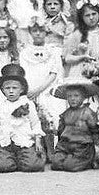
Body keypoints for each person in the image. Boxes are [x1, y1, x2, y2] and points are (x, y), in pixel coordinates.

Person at [18, 20, 63, 158]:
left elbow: (54, 73)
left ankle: (53, 151)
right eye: (35, 30)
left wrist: (39, 90)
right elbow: (23, 72)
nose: (38, 33)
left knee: (51, 116)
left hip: (48, 89)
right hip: (30, 88)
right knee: (32, 118)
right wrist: (30, 90)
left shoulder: (53, 51)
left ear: (46, 32)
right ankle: (38, 152)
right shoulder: (25, 51)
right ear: (30, 32)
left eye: (41, 30)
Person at [0, 64, 44, 173]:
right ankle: (10, 159)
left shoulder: (27, 104)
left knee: (32, 166)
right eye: (7, 88)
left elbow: (35, 123)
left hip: (23, 141)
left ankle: (24, 158)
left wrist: (37, 140)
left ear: (21, 89)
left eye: (15, 88)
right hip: (5, 142)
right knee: (2, 167)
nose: (11, 91)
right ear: (3, 90)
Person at [49, 79, 99, 172]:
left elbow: (95, 130)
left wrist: (97, 147)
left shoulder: (88, 113)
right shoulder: (65, 113)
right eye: (70, 96)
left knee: (70, 166)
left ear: (84, 97)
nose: (73, 99)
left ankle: (87, 161)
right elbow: (61, 131)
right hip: (65, 145)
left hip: (82, 146)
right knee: (56, 163)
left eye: (76, 96)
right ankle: (69, 158)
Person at [63, 0, 99, 79]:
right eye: (87, 15)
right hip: (82, 70)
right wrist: (82, 57)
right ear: (82, 18)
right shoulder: (77, 34)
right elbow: (68, 58)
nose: (91, 18)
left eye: (94, 14)